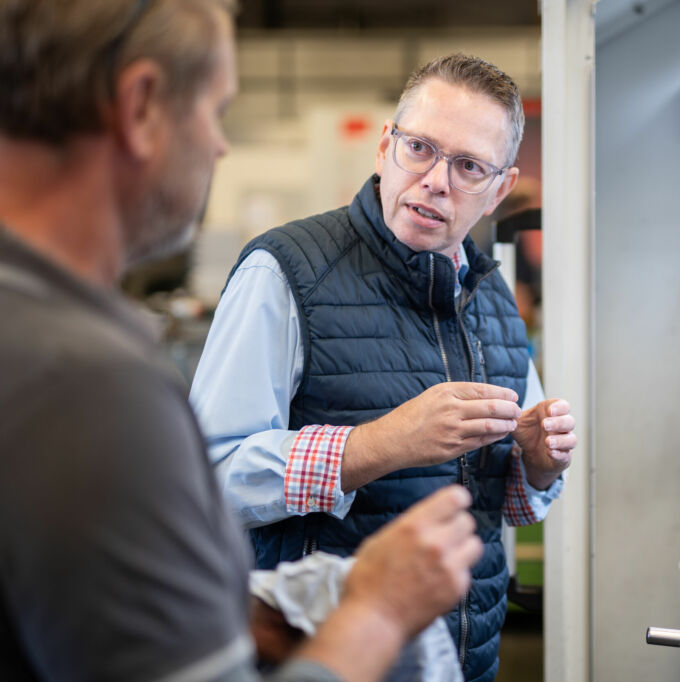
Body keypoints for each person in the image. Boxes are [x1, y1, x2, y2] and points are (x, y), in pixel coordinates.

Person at [0, 1, 483, 680]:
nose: (221, 147)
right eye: (217, 111)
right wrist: (376, 611)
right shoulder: (91, 386)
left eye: (469, 166)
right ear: (141, 107)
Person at [190, 54, 577, 681]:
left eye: (468, 166)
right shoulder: (285, 272)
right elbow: (208, 480)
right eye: (419, 148)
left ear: (499, 189)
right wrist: (383, 443)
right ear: (383, 148)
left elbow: (504, 502)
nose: (434, 180)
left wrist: (536, 463)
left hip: (466, 660)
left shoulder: (496, 302)